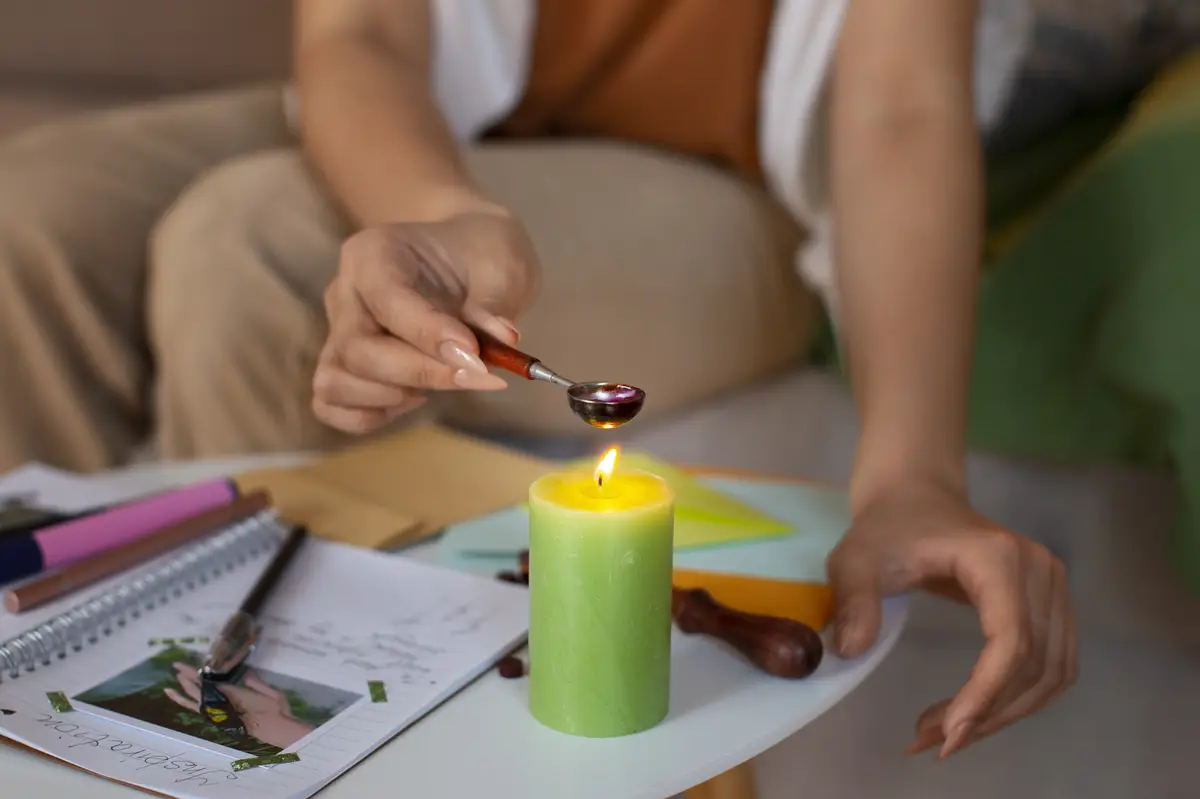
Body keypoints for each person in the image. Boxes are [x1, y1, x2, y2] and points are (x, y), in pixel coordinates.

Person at [17, 0, 1200, 758]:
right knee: (30, 218)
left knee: (248, 243)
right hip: (457, 131)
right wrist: (442, 213)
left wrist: (911, 476)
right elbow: (360, 37)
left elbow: (899, 103)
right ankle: (54, 708)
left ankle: (223, 738)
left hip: (726, 175)